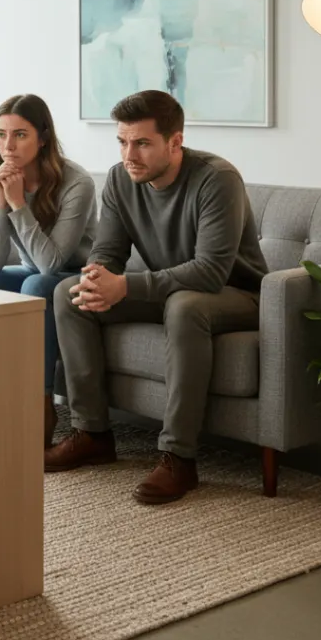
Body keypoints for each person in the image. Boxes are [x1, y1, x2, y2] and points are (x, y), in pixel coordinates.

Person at [45, 89, 268, 504]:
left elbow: (211, 271)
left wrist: (126, 286)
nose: (130, 154)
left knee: (184, 306)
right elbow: (108, 253)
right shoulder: (119, 178)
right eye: (123, 142)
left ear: (175, 142)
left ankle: (178, 458)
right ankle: (92, 433)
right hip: (173, 291)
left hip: (236, 295)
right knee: (68, 293)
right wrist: (96, 279)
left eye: (143, 143)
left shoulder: (217, 179)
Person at [0, 94, 97, 448]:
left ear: (43, 138)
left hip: (77, 274)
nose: (8, 146)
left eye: (20, 135)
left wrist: (18, 203)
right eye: (1, 135)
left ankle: (41, 404)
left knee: (36, 283)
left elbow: (53, 263)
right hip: (35, 272)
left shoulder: (77, 183)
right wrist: (0, 202)